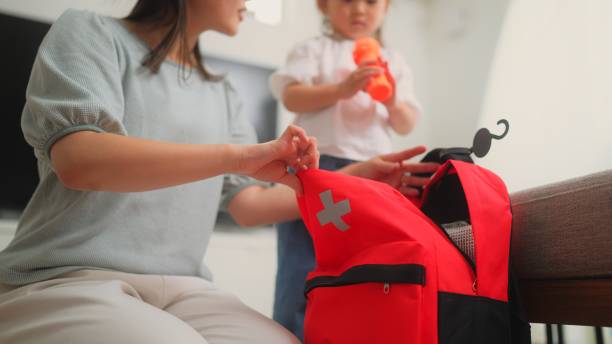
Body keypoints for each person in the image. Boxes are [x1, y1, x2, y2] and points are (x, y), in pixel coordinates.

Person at [0, 1, 437, 343]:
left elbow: (248, 206)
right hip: (67, 276)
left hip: (186, 289)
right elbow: (80, 161)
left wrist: (358, 178)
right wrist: (235, 156)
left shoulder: (222, 92)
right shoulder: (89, 33)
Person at [268, 0, 424, 339]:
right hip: (317, 167)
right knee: (301, 262)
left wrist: (391, 100)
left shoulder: (393, 61)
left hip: (374, 173)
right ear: (323, 6)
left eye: (370, 2)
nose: (359, 10)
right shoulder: (314, 49)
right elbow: (292, 97)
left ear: (386, 7)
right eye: (347, 1)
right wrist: (342, 89)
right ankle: (292, 333)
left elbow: (406, 122)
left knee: (364, 260)